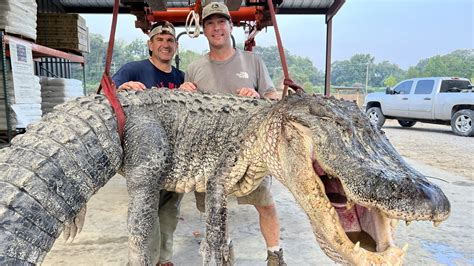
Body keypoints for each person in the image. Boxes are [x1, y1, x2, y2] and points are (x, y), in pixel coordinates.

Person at [179, 3, 285, 266]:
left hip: (249, 153)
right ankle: (225, 253)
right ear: (203, 30)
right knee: (214, 211)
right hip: (209, 156)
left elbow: (274, 98)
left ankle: (275, 254)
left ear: (230, 26)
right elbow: (186, 112)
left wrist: (259, 96)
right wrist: (184, 94)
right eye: (210, 23)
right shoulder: (194, 68)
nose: (217, 28)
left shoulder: (253, 61)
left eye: (221, 22)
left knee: (265, 203)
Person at [112, 20, 184, 266]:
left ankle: (164, 259)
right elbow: (106, 93)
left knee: (169, 212)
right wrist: (122, 87)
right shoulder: (133, 69)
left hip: (175, 157)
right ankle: (145, 261)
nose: (165, 45)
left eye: (170, 40)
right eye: (160, 40)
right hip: (144, 158)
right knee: (145, 211)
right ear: (150, 44)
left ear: (175, 46)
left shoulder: (181, 77)